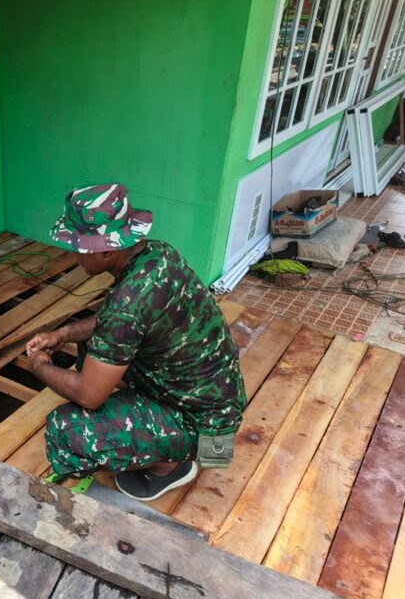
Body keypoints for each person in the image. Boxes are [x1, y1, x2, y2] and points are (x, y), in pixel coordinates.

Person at [26, 184, 246, 501]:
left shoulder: (126, 305)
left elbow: (89, 395)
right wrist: (62, 334)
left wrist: (39, 366)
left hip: (210, 434)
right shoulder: (158, 255)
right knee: (94, 347)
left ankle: (168, 466)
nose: (72, 254)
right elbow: (117, 324)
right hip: (215, 396)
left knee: (67, 432)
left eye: (77, 246)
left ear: (105, 251)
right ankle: (157, 432)